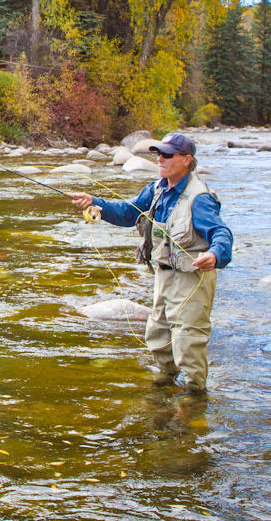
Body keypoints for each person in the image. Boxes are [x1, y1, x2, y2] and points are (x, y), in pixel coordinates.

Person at [68, 132, 233, 393]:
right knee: (158, 335)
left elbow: (221, 232)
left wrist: (215, 255)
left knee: (188, 341)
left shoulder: (199, 198)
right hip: (164, 275)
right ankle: (165, 385)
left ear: (187, 160)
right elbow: (126, 213)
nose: (159, 158)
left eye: (167, 154)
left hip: (193, 278)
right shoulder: (156, 190)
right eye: (158, 153)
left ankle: (195, 398)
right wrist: (95, 203)